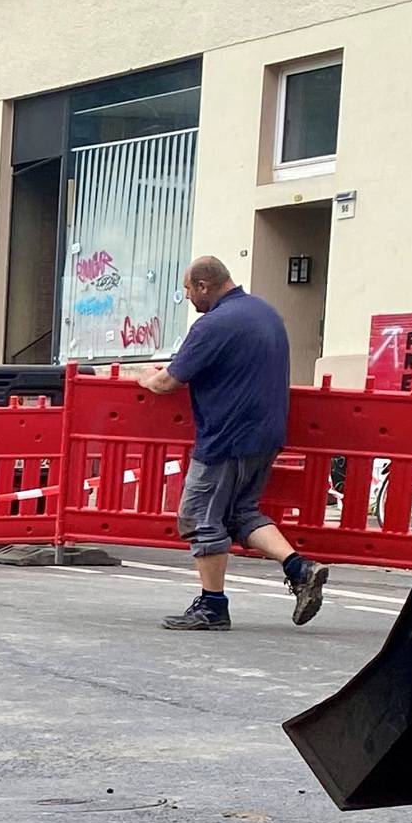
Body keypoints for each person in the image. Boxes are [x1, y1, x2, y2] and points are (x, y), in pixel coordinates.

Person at [140, 256, 326, 631]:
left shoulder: (213, 325)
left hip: (226, 436)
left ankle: (213, 607)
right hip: (266, 434)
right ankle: (300, 568)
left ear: (205, 286)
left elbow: (168, 383)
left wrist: (144, 377)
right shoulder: (265, 312)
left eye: (189, 290)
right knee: (242, 513)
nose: (188, 298)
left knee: (199, 517)